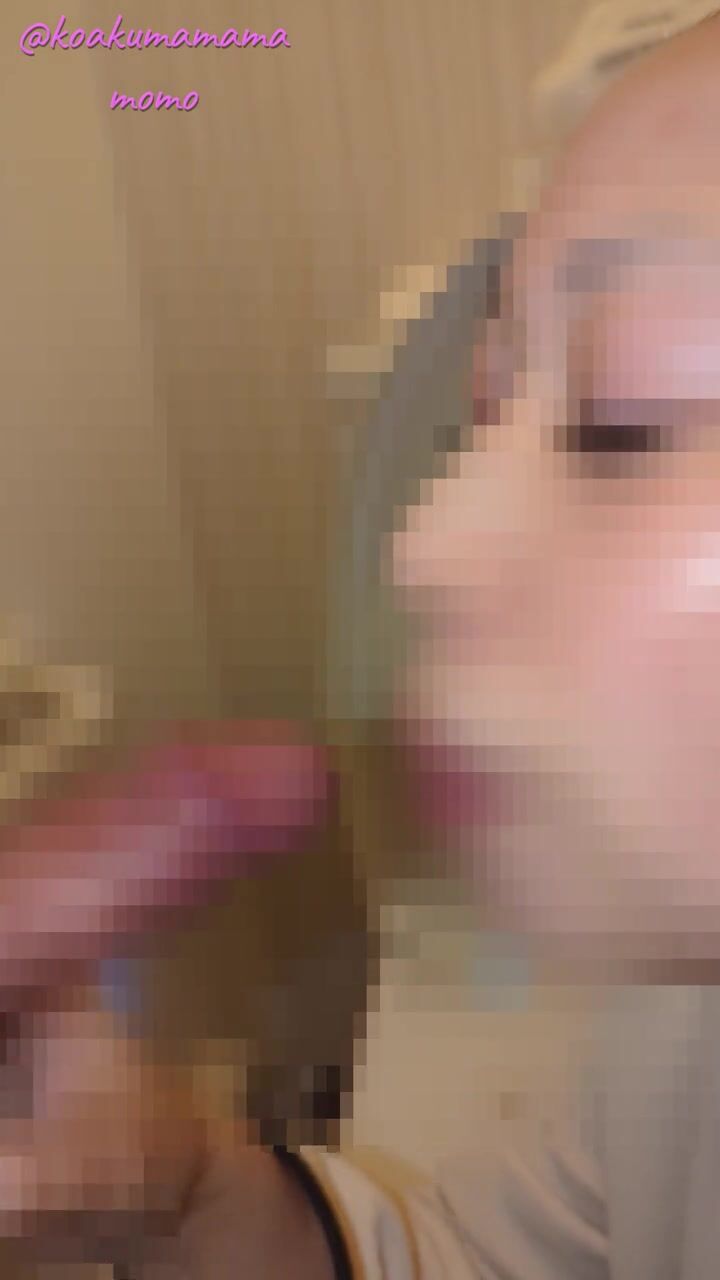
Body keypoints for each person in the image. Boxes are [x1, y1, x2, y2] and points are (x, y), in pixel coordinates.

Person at [8, 7, 720, 1279]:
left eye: (623, 417)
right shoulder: (677, 1032)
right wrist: (180, 1190)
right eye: (483, 411)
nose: (423, 542)